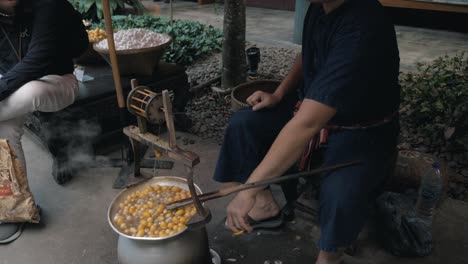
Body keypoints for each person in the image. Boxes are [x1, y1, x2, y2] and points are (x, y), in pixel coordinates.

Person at [214, 0, 400, 263]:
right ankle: (266, 206)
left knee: (341, 192)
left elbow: (306, 124)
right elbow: (308, 55)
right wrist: (278, 95)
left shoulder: (363, 27)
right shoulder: (318, 7)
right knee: (243, 125)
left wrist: (249, 189)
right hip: (313, 107)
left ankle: (328, 257)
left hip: (360, 129)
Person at [0, 0, 88, 244]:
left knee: (31, 91)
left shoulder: (49, 5)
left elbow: (36, 62)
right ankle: (15, 210)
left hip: (57, 82)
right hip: (12, 85)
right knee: (3, 128)